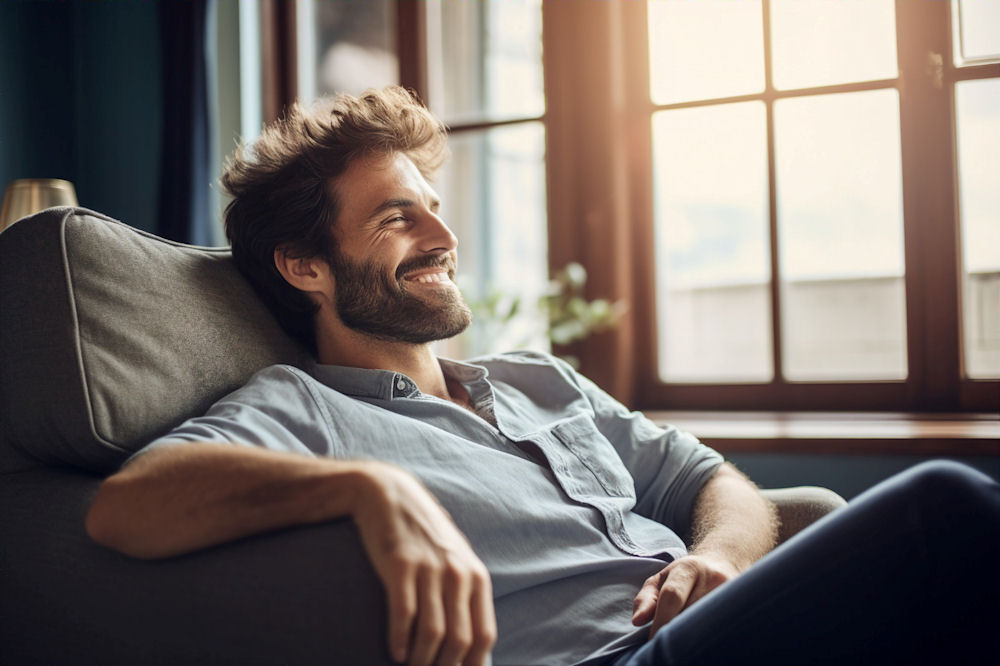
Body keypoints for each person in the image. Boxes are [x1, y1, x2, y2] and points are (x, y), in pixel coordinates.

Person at [86, 87, 1000, 666]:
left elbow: (712, 479)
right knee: (942, 510)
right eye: (398, 219)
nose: (443, 240)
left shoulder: (537, 380)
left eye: (435, 211)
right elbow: (125, 505)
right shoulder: (300, 409)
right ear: (304, 267)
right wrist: (368, 489)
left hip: (707, 626)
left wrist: (717, 556)